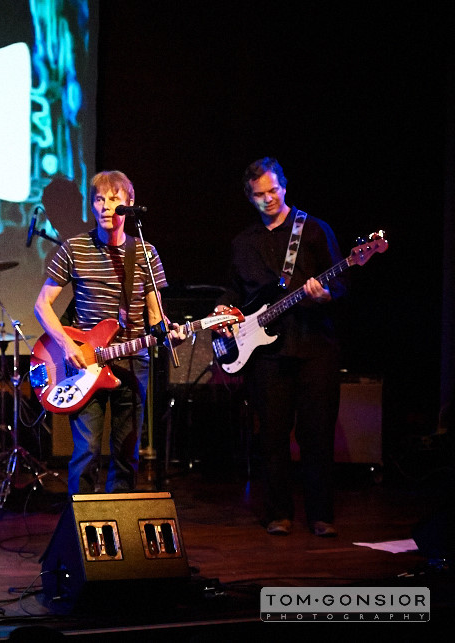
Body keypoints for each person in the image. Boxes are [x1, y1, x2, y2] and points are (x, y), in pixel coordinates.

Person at [213, 157, 346, 538]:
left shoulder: (315, 230)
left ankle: (321, 515)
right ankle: (278, 513)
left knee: (317, 435)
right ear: (249, 197)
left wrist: (325, 294)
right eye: (260, 194)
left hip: (315, 347)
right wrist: (223, 310)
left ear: (284, 187)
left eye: (273, 190)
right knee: (271, 437)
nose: (269, 198)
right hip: (266, 354)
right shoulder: (243, 243)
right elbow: (234, 290)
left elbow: (342, 285)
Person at [34, 170, 181, 494]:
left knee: (127, 453)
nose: (105, 206)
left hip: (134, 362)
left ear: (129, 203)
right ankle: (80, 521)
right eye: (99, 199)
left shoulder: (146, 253)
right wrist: (67, 345)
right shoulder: (74, 248)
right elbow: (42, 305)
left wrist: (170, 332)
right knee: (86, 451)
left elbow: (155, 316)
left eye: (114, 199)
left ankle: (118, 518)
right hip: (86, 363)